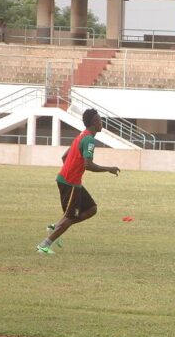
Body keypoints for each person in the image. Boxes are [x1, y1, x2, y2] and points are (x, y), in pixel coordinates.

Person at [37, 108, 120, 254]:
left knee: (91, 209)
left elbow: (64, 157)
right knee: (70, 217)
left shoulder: (82, 135)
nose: (102, 123)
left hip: (72, 182)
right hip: (70, 183)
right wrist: (108, 169)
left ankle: (57, 226)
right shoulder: (89, 140)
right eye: (100, 120)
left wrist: (71, 170)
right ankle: (44, 245)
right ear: (94, 122)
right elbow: (88, 165)